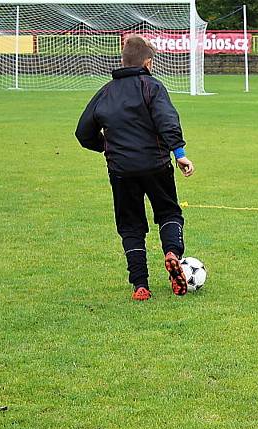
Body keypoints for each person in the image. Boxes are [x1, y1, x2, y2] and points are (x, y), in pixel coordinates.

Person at [75, 35, 194, 301]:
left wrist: (106, 146)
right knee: (168, 212)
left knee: (131, 226)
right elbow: (167, 120)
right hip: (156, 165)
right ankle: (172, 254)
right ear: (148, 63)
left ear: (122, 61)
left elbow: (83, 132)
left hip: (121, 170)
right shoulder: (152, 86)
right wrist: (180, 153)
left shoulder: (105, 92)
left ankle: (140, 285)